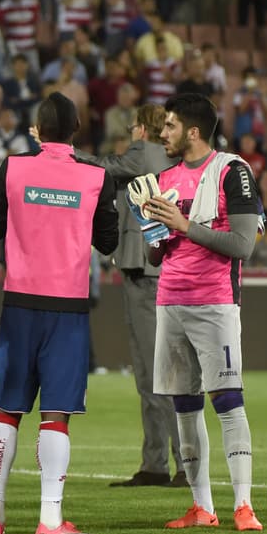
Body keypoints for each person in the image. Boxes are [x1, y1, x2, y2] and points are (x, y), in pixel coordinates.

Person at [0, 92, 118, 534]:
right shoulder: (96, 176)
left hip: (19, 301)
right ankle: (50, 520)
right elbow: (109, 241)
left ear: (37, 130)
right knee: (55, 414)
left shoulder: (13, 168)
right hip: (67, 307)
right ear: (76, 130)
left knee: (8, 410)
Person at [144, 93, 264, 533]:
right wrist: (155, 233)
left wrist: (183, 225)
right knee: (184, 406)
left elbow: (243, 246)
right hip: (170, 301)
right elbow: (157, 255)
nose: (163, 133)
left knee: (229, 402)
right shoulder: (163, 178)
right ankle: (202, 507)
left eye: (170, 126)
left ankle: (244, 506)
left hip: (214, 303)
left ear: (193, 131)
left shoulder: (232, 171)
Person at [84, 103, 181, 487]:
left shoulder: (145, 152)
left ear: (144, 128)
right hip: (152, 271)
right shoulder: (164, 157)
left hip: (148, 272)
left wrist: (64, 152)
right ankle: (157, 462)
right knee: (152, 372)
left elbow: (104, 166)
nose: (131, 132)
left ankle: (177, 463)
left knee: (159, 373)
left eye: (134, 125)